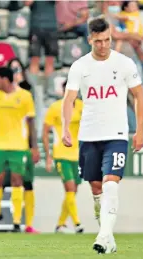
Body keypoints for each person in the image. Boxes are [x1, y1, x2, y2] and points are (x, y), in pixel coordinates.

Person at [62, 17, 143, 254]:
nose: (103, 45)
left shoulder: (125, 63)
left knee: (111, 185)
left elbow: (139, 96)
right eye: (98, 41)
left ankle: (103, 235)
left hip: (116, 134)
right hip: (89, 135)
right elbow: (69, 99)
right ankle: (108, 239)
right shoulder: (80, 66)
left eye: (107, 40)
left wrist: (139, 130)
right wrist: (66, 127)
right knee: (96, 189)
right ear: (90, 39)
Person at [0, 67, 40, 233]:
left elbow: (31, 124)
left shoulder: (25, 96)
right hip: (0, 145)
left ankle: (16, 222)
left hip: (18, 146)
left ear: (5, 79)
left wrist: (34, 147)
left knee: (17, 181)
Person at [43, 81, 84, 234]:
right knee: (70, 188)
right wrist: (48, 156)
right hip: (61, 154)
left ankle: (60, 224)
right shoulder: (55, 107)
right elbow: (45, 132)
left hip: (78, 155)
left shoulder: (82, 106)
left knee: (73, 192)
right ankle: (77, 223)